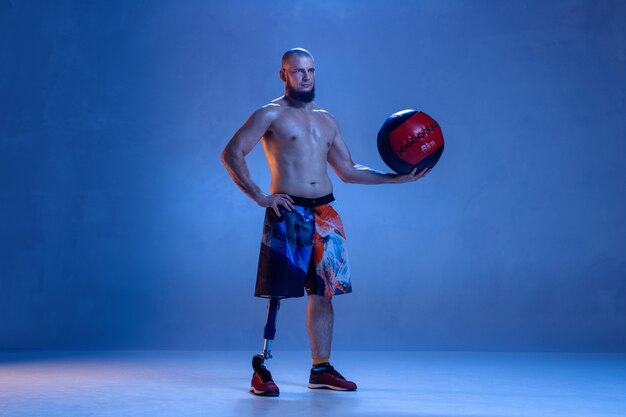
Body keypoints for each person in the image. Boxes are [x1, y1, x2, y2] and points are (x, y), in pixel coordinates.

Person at [221, 48, 430, 396]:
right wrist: (260, 196)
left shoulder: (327, 119)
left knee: (324, 293)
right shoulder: (269, 114)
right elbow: (232, 153)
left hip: (326, 213)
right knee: (277, 292)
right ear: (283, 75)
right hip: (288, 211)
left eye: (310, 70)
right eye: (297, 71)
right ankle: (262, 366)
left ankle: (321, 369)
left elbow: (348, 171)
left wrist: (398, 179)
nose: (305, 77)